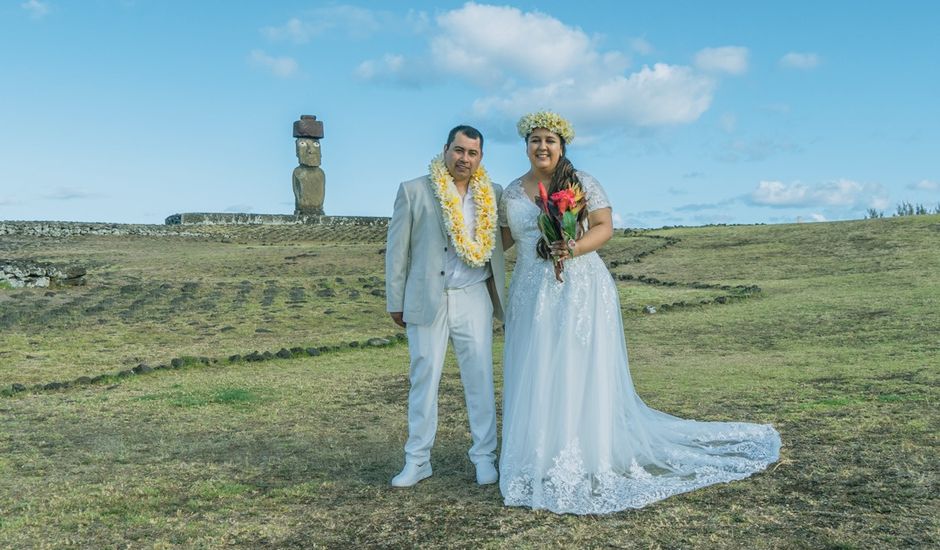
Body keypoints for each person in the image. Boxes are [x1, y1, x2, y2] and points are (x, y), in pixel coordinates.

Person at [497, 112, 781, 514]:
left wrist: (571, 249)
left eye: (550, 140)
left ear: (562, 146)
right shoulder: (511, 192)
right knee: (535, 364)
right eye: (535, 140)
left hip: (579, 287)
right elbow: (504, 240)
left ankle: (586, 449)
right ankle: (536, 452)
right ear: (525, 146)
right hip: (530, 290)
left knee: (577, 365)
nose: (542, 147)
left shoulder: (582, 183)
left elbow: (603, 226)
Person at [385, 125, 506, 487]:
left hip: (474, 296)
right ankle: (418, 460)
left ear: (480, 157)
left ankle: (484, 457)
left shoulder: (493, 194)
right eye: (458, 150)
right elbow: (397, 250)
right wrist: (396, 299)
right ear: (445, 150)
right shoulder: (414, 190)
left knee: (480, 379)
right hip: (427, 298)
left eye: (472, 153)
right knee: (424, 377)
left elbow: (501, 241)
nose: (464, 158)